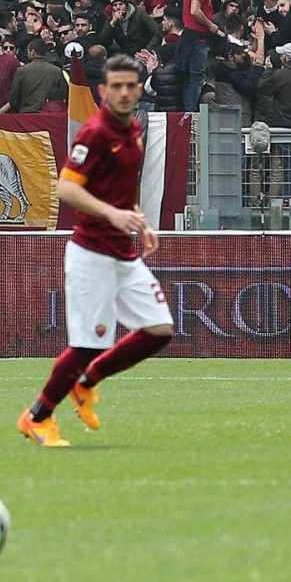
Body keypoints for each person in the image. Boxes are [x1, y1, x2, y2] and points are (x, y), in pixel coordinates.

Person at [19, 57, 175, 446]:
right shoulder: (95, 132)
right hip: (91, 252)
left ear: (139, 90)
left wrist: (139, 219)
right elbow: (67, 189)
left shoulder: (134, 129)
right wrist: (113, 215)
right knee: (88, 343)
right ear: (104, 92)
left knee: (159, 329)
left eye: (130, 86)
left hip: (122, 250)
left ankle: (87, 381)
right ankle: (37, 416)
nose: (123, 93)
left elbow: (118, 189)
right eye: (116, 86)